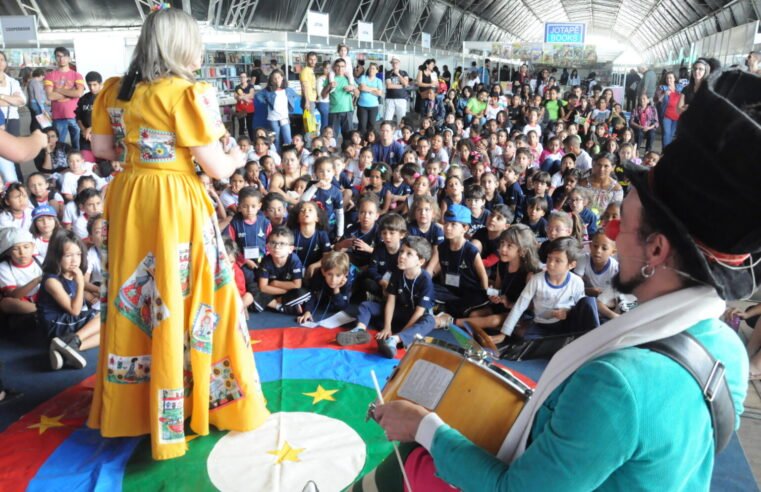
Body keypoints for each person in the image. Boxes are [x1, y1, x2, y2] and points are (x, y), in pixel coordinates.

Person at [364, 68, 757, 492]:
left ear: (656, 251)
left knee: (417, 461)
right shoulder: (727, 350)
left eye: (620, 225)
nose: (606, 236)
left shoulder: (616, 384)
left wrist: (424, 425)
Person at [86, 8, 269, 461]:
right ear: (182, 44)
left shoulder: (115, 90)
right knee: (196, 298)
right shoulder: (188, 93)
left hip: (130, 201)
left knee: (137, 300)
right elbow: (219, 167)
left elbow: (104, 150)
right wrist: (236, 152)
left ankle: (135, 408)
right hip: (174, 204)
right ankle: (199, 402)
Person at [339, 236, 436, 359]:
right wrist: (387, 327)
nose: (402, 256)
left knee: (429, 320)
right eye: (401, 251)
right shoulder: (397, 272)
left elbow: (419, 312)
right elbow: (391, 301)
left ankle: (394, 340)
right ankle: (360, 330)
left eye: (409, 254)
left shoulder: (425, 280)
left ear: (420, 261)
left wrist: (402, 333)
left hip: (413, 317)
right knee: (367, 305)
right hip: (398, 311)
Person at [38, 230, 100, 371]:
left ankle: (66, 349)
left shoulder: (71, 273)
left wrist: (91, 291)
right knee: (105, 316)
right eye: (68, 255)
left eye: (78, 254)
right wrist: (81, 284)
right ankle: (71, 342)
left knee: (107, 330)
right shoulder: (51, 281)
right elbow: (74, 310)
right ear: (56, 256)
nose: (75, 260)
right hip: (56, 325)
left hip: (67, 322)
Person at [44, 47, 85, 149]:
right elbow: (50, 96)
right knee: (58, 147)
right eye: (58, 56)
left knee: (77, 147)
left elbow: (79, 93)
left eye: (64, 56)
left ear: (69, 58)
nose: (61, 59)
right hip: (58, 117)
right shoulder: (50, 76)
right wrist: (71, 92)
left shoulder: (77, 75)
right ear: (55, 58)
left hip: (75, 116)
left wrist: (58, 90)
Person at [262, 69, 297, 152]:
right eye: (274, 78)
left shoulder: (287, 90)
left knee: (287, 138)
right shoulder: (268, 91)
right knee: (276, 139)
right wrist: (266, 101)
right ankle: (277, 157)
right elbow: (258, 96)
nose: (277, 80)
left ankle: (289, 154)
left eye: (278, 77)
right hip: (273, 117)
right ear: (272, 80)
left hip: (284, 117)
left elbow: (295, 96)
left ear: (282, 78)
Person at [322, 59, 357, 140]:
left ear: (345, 68)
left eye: (342, 66)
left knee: (348, 136)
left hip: (347, 110)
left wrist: (352, 88)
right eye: (338, 66)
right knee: (331, 137)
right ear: (334, 67)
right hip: (334, 111)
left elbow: (357, 94)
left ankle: (347, 152)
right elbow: (323, 95)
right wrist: (329, 86)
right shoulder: (330, 78)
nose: (340, 68)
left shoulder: (349, 79)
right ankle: (331, 152)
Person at [75, 71, 103, 162]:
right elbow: (78, 116)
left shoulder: (106, 98)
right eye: (89, 85)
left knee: (103, 168)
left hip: (103, 138)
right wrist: (83, 129)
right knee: (86, 165)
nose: (92, 88)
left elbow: (108, 118)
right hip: (85, 139)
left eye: (95, 85)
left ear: (100, 84)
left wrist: (90, 128)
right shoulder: (84, 98)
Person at [357, 63, 384, 135]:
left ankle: (370, 142)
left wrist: (367, 89)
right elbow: (362, 88)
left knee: (371, 126)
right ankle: (361, 142)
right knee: (362, 125)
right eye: (370, 68)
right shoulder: (363, 77)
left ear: (377, 71)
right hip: (362, 105)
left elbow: (379, 93)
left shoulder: (378, 81)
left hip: (373, 106)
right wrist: (375, 89)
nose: (371, 70)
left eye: (373, 68)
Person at [657, 71, 681, 147]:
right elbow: (659, 100)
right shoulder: (662, 87)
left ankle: (668, 151)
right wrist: (664, 94)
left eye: (670, 78)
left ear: (674, 79)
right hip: (666, 115)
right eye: (667, 78)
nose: (669, 79)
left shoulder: (680, 87)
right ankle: (665, 152)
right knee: (666, 134)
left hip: (677, 116)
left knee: (671, 135)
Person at [384, 58, 410, 125]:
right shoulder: (388, 73)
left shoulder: (404, 73)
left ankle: (400, 133)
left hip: (402, 98)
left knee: (401, 119)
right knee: (387, 118)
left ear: (399, 63)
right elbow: (389, 86)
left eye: (396, 63)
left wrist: (398, 74)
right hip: (390, 98)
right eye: (393, 63)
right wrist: (402, 86)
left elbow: (406, 84)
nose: (394, 64)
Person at [233, 72, 255, 140]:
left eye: (244, 77)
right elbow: (236, 97)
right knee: (241, 126)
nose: (242, 78)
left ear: (247, 78)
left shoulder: (250, 86)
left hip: (250, 109)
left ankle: (252, 141)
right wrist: (245, 97)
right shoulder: (237, 87)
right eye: (241, 77)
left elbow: (252, 95)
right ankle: (241, 142)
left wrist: (242, 96)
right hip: (240, 109)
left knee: (250, 126)